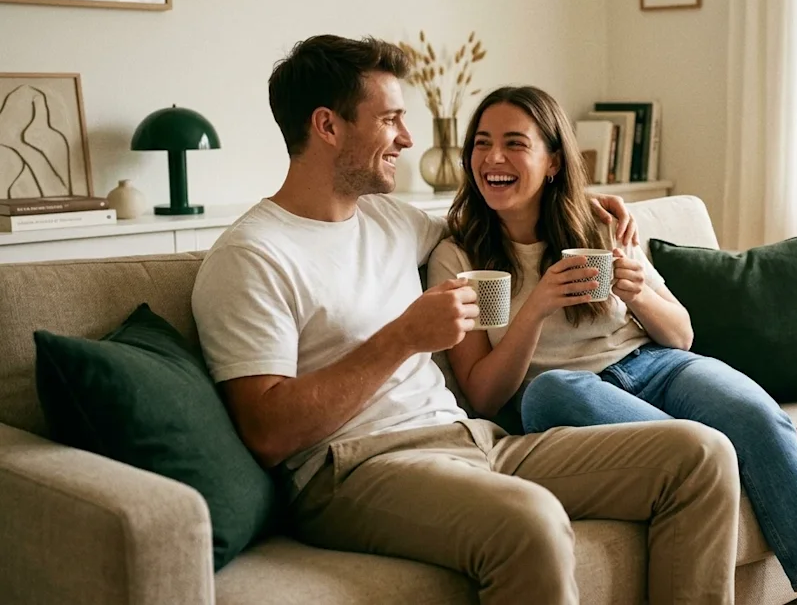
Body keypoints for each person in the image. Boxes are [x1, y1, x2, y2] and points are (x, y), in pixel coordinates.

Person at [191, 34, 746, 605]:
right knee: (530, 523)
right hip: (354, 468)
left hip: (475, 440)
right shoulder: (252, 256)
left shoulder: (391, 220)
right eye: (390, 121)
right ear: (328, 126)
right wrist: (404, 337)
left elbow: (501, 208)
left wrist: (581, 200)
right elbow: (267, 433)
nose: (407, 139)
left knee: (699, 456)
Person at [426, 85, 797, 605]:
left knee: (756, 414)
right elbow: (484, 395)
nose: (493, 158)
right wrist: (534, 307)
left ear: (553, 160)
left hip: (656, 365)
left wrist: (641, 292)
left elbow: (682, 336)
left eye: (515, 143)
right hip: (563, 392)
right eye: (482, 144)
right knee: (549, 393)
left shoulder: (600, 226)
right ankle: (749, 448)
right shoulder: (461, 257)